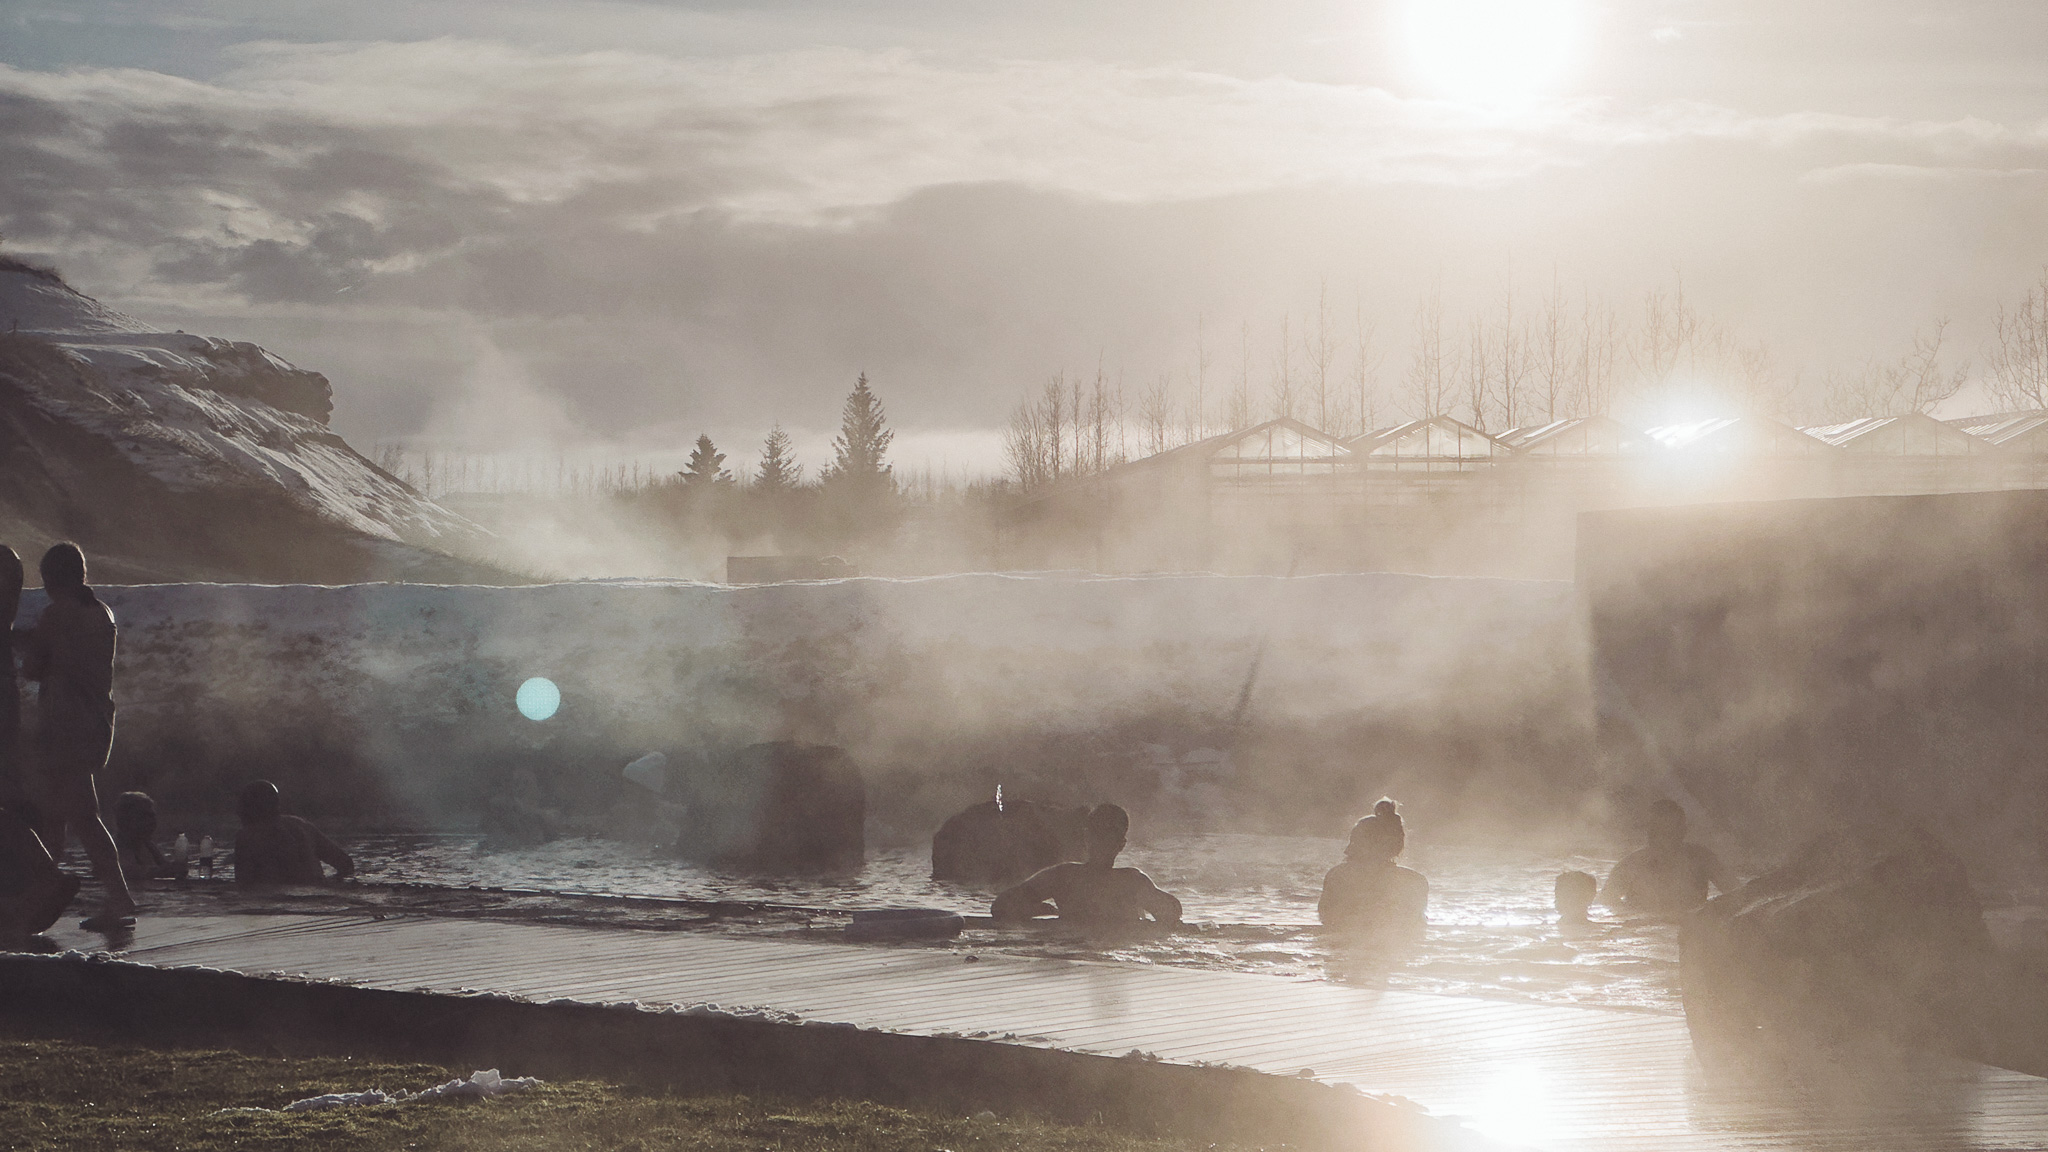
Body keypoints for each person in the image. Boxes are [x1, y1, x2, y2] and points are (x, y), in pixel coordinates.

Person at [14, 543, 135, 931]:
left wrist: (16, 641)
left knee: (82, 818)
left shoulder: (55, 614)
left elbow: (34, 667)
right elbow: (62, 651)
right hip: (95, 725)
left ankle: (119, 899)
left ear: (50, 579)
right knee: (56, 818)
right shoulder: (101, 613)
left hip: (64, 728)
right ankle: (37, 896)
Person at [989, 803, 1182, 927]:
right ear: (1121, 845)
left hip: (1074, 942)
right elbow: (1172, 913)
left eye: (1106, 835)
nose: (1103, 841)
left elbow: (1002, 906)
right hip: (1120, 945)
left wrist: (1043, 911)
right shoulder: (1131, 882)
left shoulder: (1063, 877)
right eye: (1101, 834)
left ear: (1086, 837)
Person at [1601, 799, 1734, 917]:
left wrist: (1711, 911)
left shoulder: (1702, 859)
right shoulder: (1631, 864)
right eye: (1657, 831)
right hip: (1644, 929)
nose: (1663, 838)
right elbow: (1605, 903)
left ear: (1683, 831)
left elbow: (1736, 894)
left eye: (1669, 831)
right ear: (1649, 832)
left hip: (1688, 926)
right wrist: (1636, 915)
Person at [1318, 799, 1428, 941]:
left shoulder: (1337, 876)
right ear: (1397, 846)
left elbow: (1326, 918)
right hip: (1394, 953)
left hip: (1345, 950)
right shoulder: (1415, 881)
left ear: (1354, 843)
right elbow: (1418, 928)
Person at [232, 780, 354, 885]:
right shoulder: (302, 826)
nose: (239, 813)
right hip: (318, 892)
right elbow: (346, 864)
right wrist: (328, 883)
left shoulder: (247, 836)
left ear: (250, 808)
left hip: (280, 900)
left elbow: (243, 884)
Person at [112, 791, 185, 881]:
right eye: (144, 816)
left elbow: (165, 867)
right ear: (126, 819)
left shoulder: (147, 844)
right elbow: (128, 872)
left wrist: (178, 866)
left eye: (152, 816)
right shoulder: (114, 847)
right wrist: (165, 870)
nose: (152, 821)